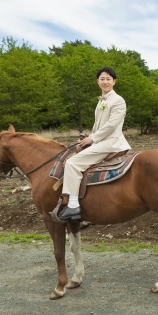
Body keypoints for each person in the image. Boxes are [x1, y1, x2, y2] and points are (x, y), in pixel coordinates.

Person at [58, 67, 131, 221]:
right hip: (101, 140)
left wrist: (92, 139)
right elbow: (98, 125)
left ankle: (72, 206)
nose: (105, 81)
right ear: (98, 82)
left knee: (72, 163)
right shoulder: (102, 100)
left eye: (108, 79)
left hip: (111, 142)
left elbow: (111, 125)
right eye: (102, 79)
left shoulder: (118, 100)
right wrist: (88, 137)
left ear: (114, 82)